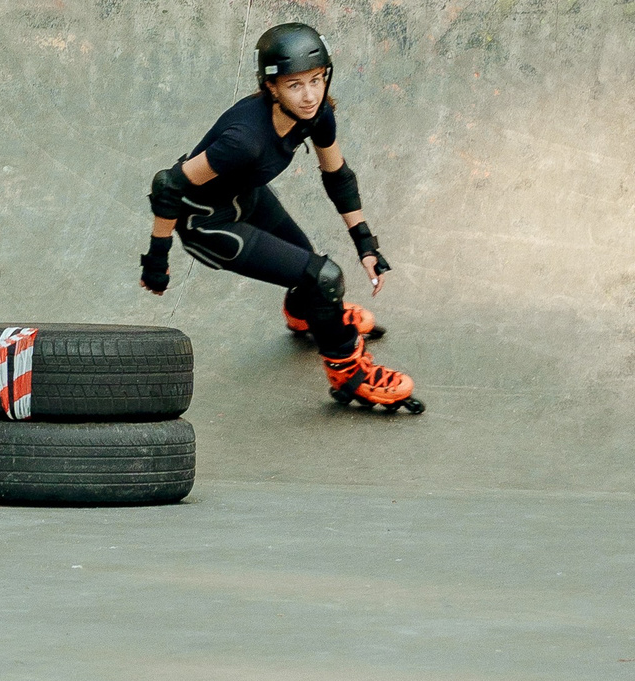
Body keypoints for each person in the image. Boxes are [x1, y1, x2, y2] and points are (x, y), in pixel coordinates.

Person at [137, 21, 424, 413]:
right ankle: (350, 374)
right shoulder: (245, 141)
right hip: (207, 223)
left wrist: (365, 243)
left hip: (248, 198)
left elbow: (337, 176)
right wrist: (157, 259)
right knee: (323, 277)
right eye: (295, 85)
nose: (309, 95)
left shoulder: (317, 113)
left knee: (311, 276)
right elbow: (168, 185)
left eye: (316, 79)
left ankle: (308, 314)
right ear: (271, 87)